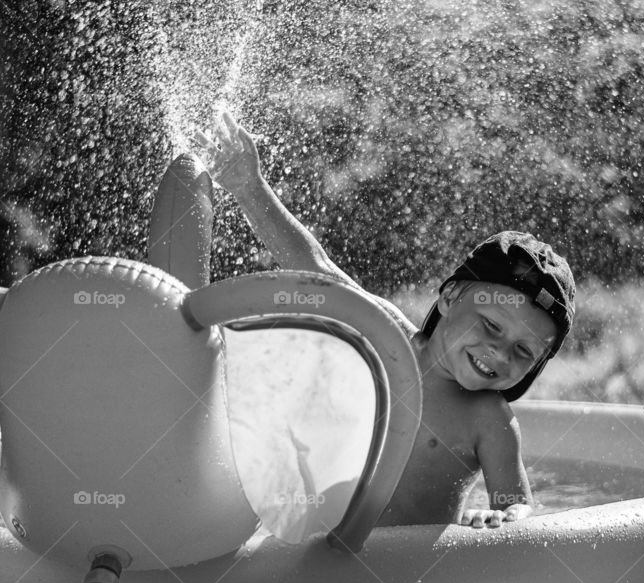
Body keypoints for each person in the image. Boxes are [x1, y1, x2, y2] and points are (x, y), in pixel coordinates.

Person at [189, 111, 576, 528]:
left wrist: (500, 516)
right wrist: (250, 188)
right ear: (449, 297)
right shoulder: (382, 334)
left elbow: (519, 510)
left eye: (522, 351)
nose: (498, 353)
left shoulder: (490, 419)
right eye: (491, 325)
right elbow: (313, 266)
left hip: (405, 580)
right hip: (318, 557)